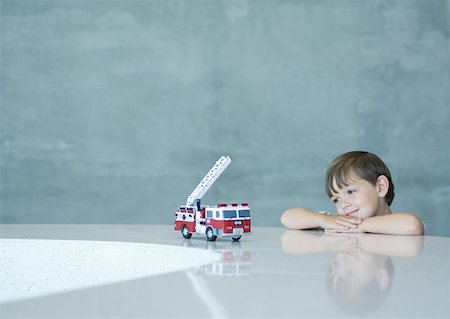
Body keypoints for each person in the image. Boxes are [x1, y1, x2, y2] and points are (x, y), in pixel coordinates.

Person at [280, 151, 424, 235]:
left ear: (380, 187)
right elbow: (288, 217)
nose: (343, 204)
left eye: (351, 191)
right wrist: (324, 221)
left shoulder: (399, 224)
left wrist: (357, 226)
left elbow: (413, 225)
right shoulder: (340, 222)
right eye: (336, 199)